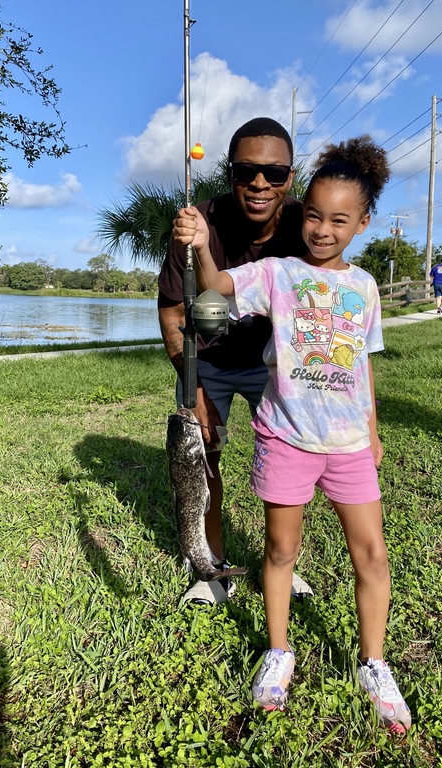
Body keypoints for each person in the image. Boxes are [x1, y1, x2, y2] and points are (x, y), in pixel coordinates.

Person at [179, 134, 411, 733]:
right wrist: (203, 244)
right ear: (299, 214)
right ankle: (278, 652)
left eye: (339, 220)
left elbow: (362, 364)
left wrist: (373, 431)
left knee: (372, 555)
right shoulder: (278, 273)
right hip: (285, 438)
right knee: (280, 551)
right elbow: (217, 286)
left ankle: (374, 663)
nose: (322, 229)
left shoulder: (365, 288)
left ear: (362, 223)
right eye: (313, 215)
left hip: (350, 447)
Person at [159, 117, 312, 605]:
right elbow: (172, 308)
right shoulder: (195, 226)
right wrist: (193, 386)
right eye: (247, 171)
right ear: (229, 174)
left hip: (279, 365)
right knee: (202, 460)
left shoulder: (306, 226)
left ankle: (282, 565)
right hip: (212, 364)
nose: (260, 184)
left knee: (291, 465)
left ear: (291, 176)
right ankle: (211, 567)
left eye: (275, 173)